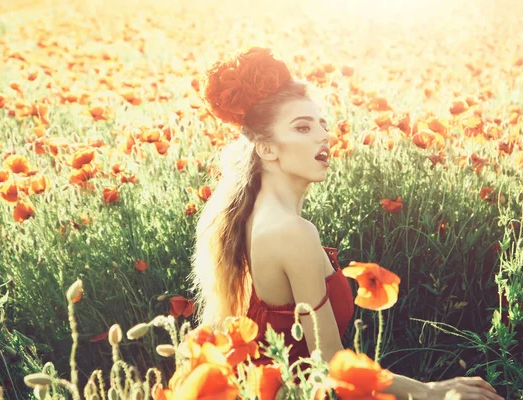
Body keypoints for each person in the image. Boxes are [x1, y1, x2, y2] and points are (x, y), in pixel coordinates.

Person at [188, 47, 504, 400]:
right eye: (302, 127)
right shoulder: (291, 231)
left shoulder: (253, 214)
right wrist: (429, 390)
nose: (323, 136)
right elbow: (328, 359)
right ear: (266, 149)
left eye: (322, 124)